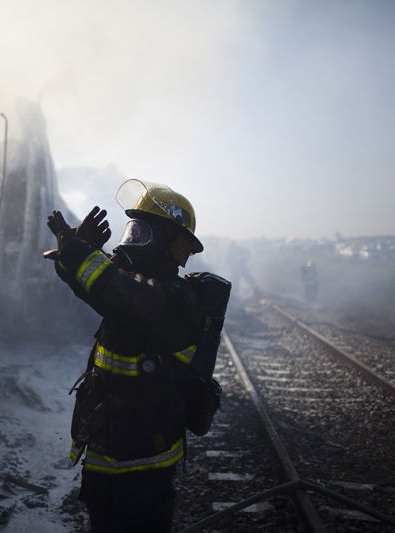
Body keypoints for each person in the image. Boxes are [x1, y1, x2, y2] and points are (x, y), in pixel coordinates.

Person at [45, 179, 229, 532]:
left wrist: (81, 253)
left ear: (172, 246)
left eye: (142, 234)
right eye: (131, 230)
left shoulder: (177, 299)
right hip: (107, 448)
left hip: (146, 460)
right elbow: (98, 290)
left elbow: (122, 292)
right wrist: (72, 253)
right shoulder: (128, 292)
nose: (130, 243)